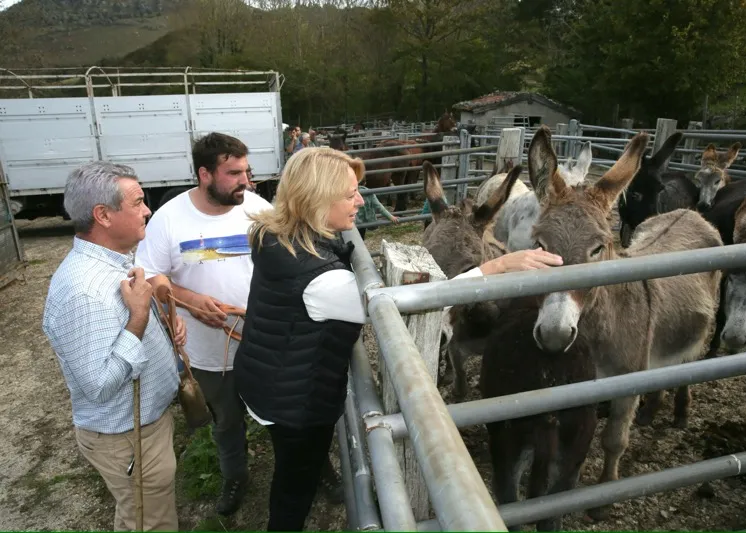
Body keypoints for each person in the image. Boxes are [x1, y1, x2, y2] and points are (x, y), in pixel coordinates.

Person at [233, 147, 563, 531]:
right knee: (293, 494)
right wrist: (497, 265)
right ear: (317, 199)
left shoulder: (277, 236)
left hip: (267, 380)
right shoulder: (323, 279)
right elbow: (402, 308)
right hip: (296, 403)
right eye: (350, 193)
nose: (361, 200)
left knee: (290, 471)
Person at [133, 132, 274, 516]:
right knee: (226, 420)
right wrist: (192, 301)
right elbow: (148, 277)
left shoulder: (259, 209)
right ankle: (235, 476)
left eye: (246, 171)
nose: (244, 180)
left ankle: (306, 470)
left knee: (280, 411)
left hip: (262, 341)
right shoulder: (168, 219)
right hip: (207, 351)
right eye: (233, 173)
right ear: (205, 174)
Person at [42, 161, 184, 531]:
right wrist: (138, 320)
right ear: (103, 215)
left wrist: (161, 326)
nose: (148, 210)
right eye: (137, 202)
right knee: (148, 524)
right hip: (127, 438)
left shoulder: (113, 264)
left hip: (141, 429)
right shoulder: (83, 291)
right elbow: (100, 386)